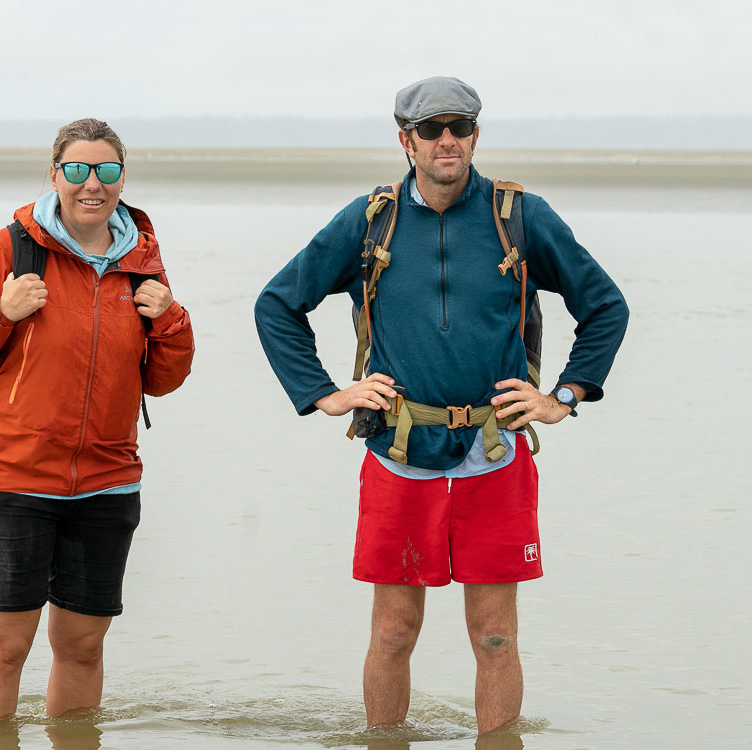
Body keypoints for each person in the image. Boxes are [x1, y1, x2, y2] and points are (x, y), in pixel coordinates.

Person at [254, 77, 628, 734]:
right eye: (432, 130)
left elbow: (605, 307)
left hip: (495, 453)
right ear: (407, 141)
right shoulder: (372, 220)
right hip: (400, 456)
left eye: (460, 127)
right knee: (394, 635)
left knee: (495, 639)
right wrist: (325, 395)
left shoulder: (521, 216)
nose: (447, 140)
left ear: (476, 136)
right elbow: (277, 304)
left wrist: (565, 395)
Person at [0, 118, 194, 733]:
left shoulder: (142, 258)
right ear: (55, 176)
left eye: (105, 170)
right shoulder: (5, 251)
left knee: (83, 647)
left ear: (122, 178)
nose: (91, 183)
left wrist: (173, 320)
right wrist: (1, 311)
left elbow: (161, 379)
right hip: (7, 480)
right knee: (4, 649)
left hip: (106, 481)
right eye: (77, 169)